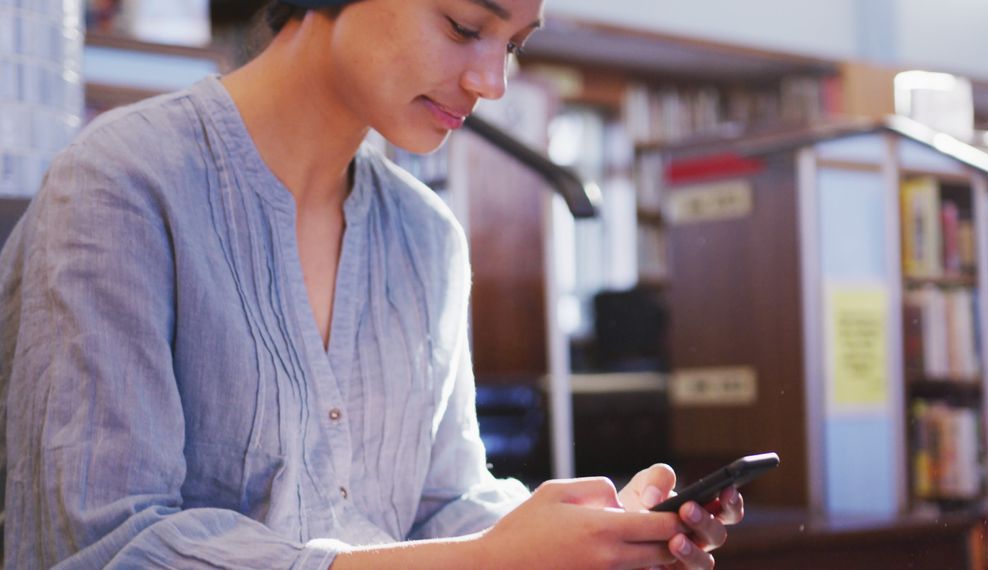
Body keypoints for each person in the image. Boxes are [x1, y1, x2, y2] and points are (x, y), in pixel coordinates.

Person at [0, 0, 744, 567]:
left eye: (512, 44)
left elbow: (441, 503)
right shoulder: (122, 185)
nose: (492, 81)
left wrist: (596, 531)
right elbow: (104, 544)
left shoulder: (426, 237)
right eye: (463, 26)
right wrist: (483, 561)